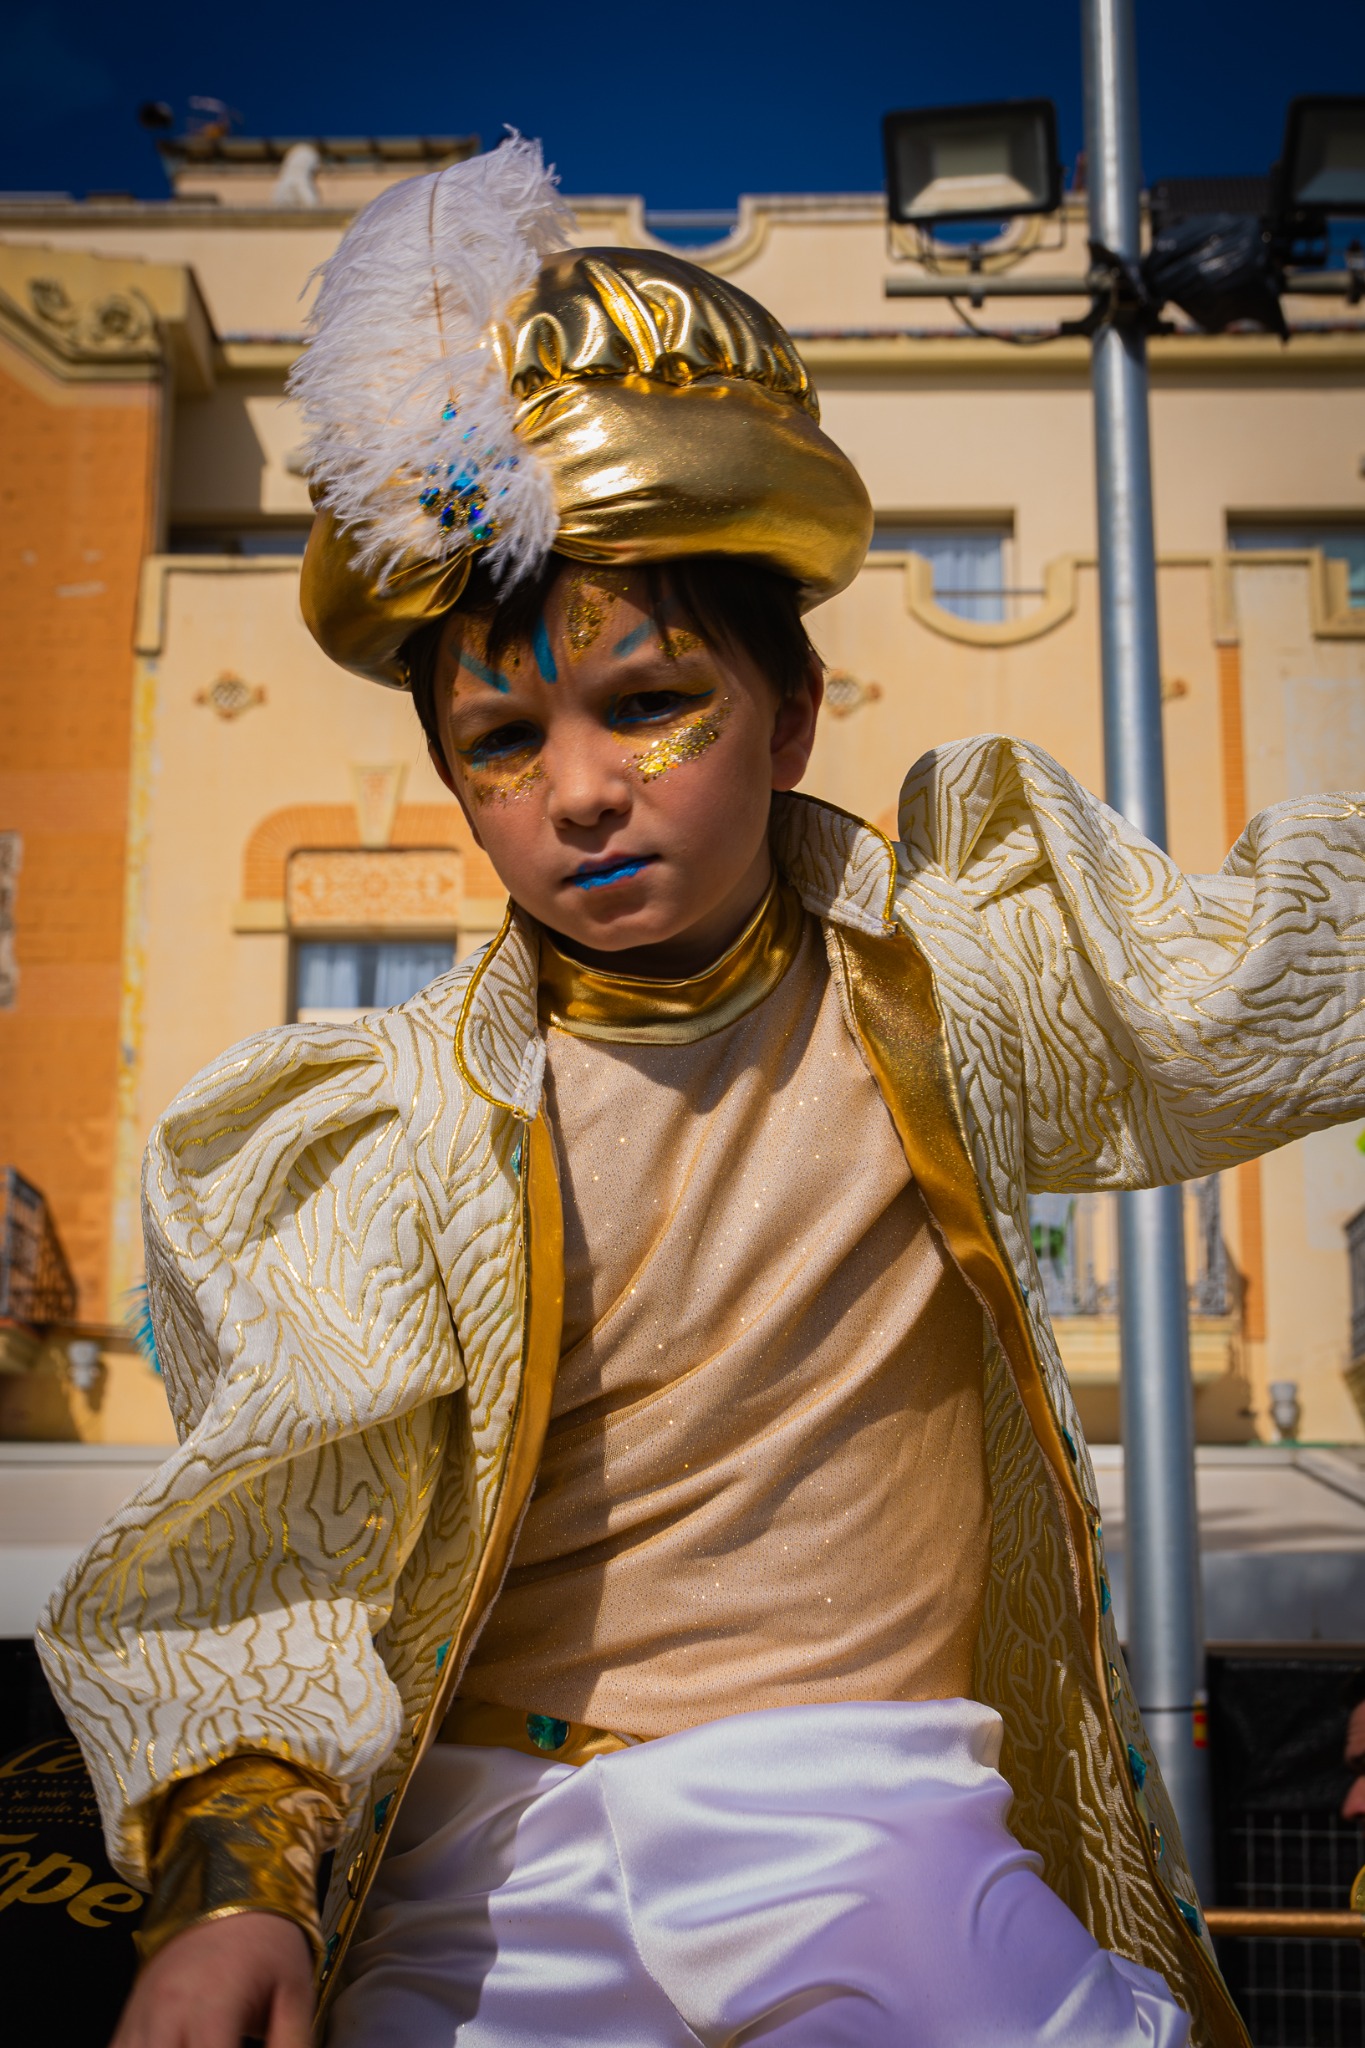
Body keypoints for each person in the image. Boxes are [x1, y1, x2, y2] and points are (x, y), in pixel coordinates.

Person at [36, 137, 1364, 2048]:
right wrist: (233, 1890)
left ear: (793, 714)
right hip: (484, 1858)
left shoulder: (972, 982)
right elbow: (278, 1543)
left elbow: (1275, 973)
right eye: (503, 735)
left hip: (864, 1830)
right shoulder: (382, 1135)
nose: (577, 789)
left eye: (644, 701)